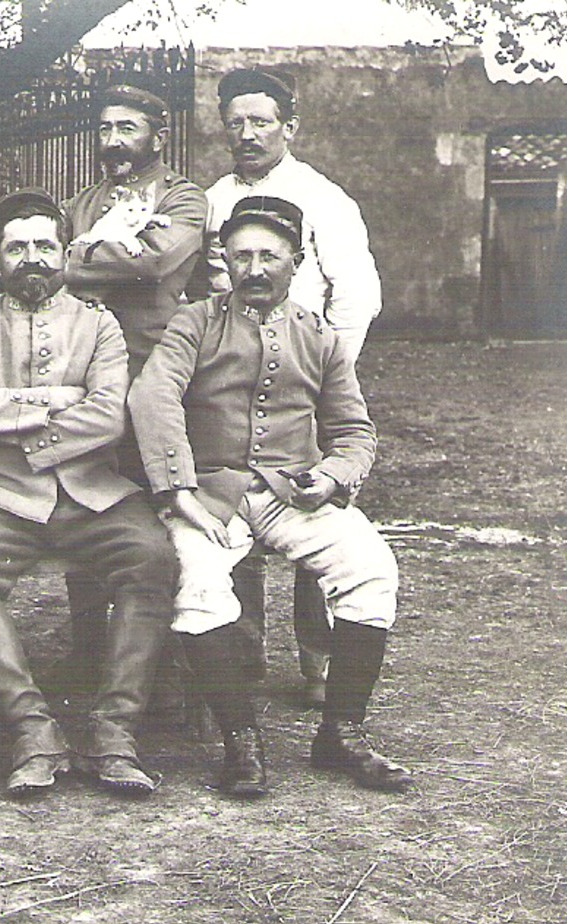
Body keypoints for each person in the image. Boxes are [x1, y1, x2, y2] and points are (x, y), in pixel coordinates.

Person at [128, 196, 409, 797]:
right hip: (209, 496)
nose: (255, 269)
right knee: (199, 584)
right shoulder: (195, 322)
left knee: (370, 566)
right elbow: (153, 397)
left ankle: (342, 733)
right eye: (241, 256)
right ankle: (241, 743)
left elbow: (354, 431)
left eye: (270, 256)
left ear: (297, 260)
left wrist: (334, 475)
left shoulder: (321, 337)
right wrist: (178, 490)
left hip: (291, 495)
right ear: (223, 261)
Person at [0, 190, 177, 798]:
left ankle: (115, 732)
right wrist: (55, 401)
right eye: (17, 248)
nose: (32, 259)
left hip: (93, 491)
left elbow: (108, 419)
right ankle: (32, 729)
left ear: (66, 253)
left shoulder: (99, 324)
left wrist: (14, 418)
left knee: (152, 558)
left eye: (45, 245)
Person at [203, 66, 385, 706]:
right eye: (236, 123)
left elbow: (358, 294)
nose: (247, 134)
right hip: (231, 378)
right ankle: (243, 652)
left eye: (261, 121)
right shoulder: (215, 197)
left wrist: (324, 372)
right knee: (237, 507)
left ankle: (320, 661)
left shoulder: (323, 198)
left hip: (303, 376)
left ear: (289, 126)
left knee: (312, 502)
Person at [57, 84, 209, 700]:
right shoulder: (79, 203)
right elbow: (43, 264)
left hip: (152, 379)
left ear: (157, 135)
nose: (114, 140)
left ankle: (170, 662)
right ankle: (91, 653)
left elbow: (154, 262)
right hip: (88, 378)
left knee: (161, 514)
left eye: (128, 127)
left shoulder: (183, 197)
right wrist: (93, 253)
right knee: (87, 506)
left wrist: (80, 258)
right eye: (105, 128)